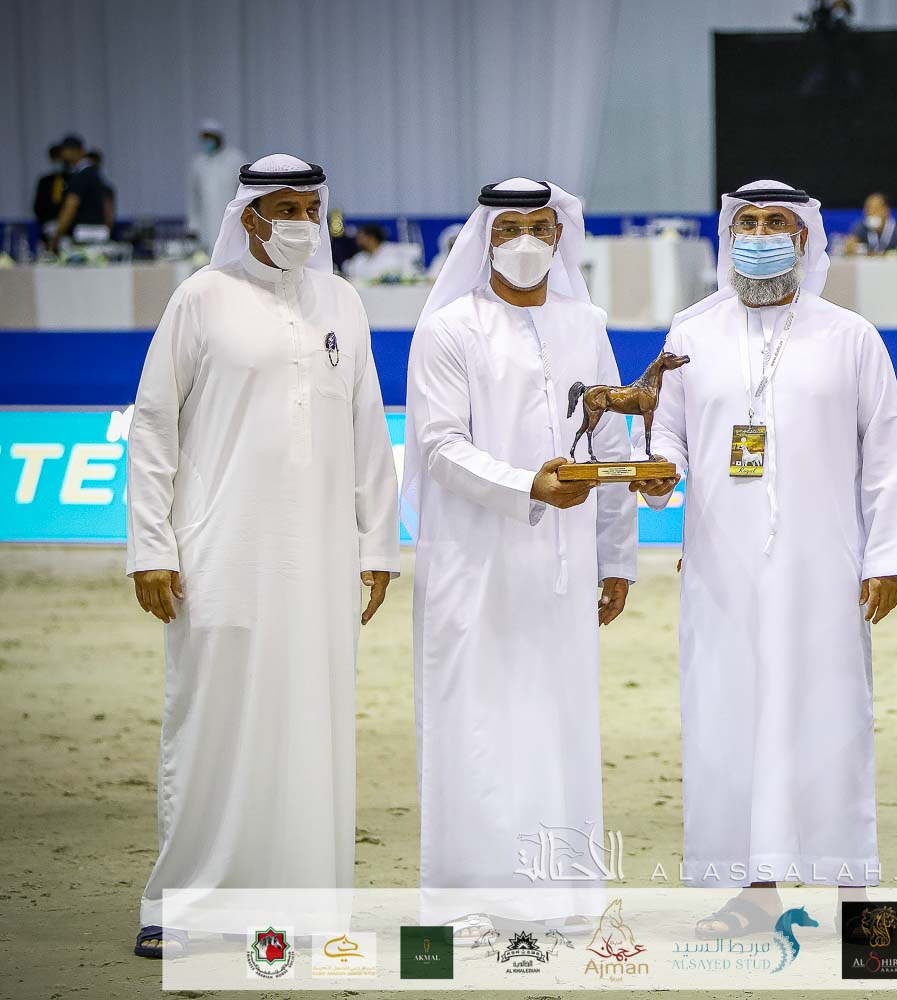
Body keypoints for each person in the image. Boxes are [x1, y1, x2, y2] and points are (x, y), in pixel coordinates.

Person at [125, 154, 400, 958]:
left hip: (322, 559)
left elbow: (368, 427)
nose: (301, 224)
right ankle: (179, 904)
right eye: (284, 209)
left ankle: (304, 905)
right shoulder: (200, 299)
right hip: (219, 553)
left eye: (311, 209)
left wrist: (378, 543)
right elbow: (153, 425)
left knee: (312, 726)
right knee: (210, 721)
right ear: (247, 216)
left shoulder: (342, 302)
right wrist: (150, 546)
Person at [634, 180, 897, 935]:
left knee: (834, 722)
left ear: (804, 238)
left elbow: (886, 455)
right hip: (720, 570)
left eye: (776, 223)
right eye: (747, 222)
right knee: (729, 722)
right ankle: (755, 893)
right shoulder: (690, 332)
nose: (760, 234)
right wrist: (660, 473)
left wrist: (884, 556)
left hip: (826, 567)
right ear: (729, 238)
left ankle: (857, 900)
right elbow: (667, 434)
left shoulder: (850, 336)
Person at [404, 178, 651, 932]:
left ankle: (560, 897)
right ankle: (470, 900)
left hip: (564, 570)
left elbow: (610, 442)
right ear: (484, 238)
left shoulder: (586, 324)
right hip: (473, 565)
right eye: (509, 227)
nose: (525, 241)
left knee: (557, 722)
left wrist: (617, 558)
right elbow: (438, 445)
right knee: (475, 725)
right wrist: (527, 487)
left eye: (540, 227)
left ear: (560, 236)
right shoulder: (449, 329)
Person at [45, 134, 109, 251]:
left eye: (65, 150)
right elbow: (107, 206)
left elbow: (70, 207)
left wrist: (56, 238)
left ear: (77, 151)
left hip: (84, 234)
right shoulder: (94, 173)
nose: (63, 155)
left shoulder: (81, 175)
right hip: (99, 232)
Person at [187, 119, 245, 247]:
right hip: (206, 224)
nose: (208, 142)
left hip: (232, 220)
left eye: (211, 138)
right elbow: (194, 197)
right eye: (205, 138)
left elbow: (246, 190)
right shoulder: (198, 163)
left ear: (219, 138)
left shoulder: (235, 159)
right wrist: (193, 225)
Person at [342, 222, 408, 281]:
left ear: (372, 238)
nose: (358, 242)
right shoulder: (359, 258)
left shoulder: (393, 252)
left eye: (361, 238)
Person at [32, 143, 67, 237]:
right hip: (47, 226)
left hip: (67, 227)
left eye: (59, 158)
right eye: (54, 158)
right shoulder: (44, 181)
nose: (57, 161)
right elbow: (37, 206)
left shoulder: (71, 179)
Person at [84, 150, 116, 232]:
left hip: (96, 230)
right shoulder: (79, 187)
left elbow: (109, 214)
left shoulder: (104, 189)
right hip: (89, 229)